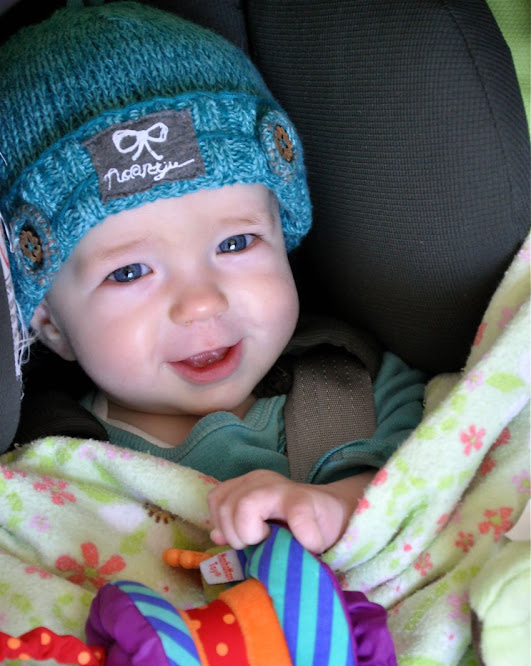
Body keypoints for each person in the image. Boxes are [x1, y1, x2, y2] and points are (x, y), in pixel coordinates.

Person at [0, 1, 425, 555]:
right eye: (129, 272)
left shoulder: (358, 386)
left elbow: (433, 482)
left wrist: (337, 506)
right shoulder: (43, 472)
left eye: (236, 243)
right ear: (50, 323)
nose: (201, 303)